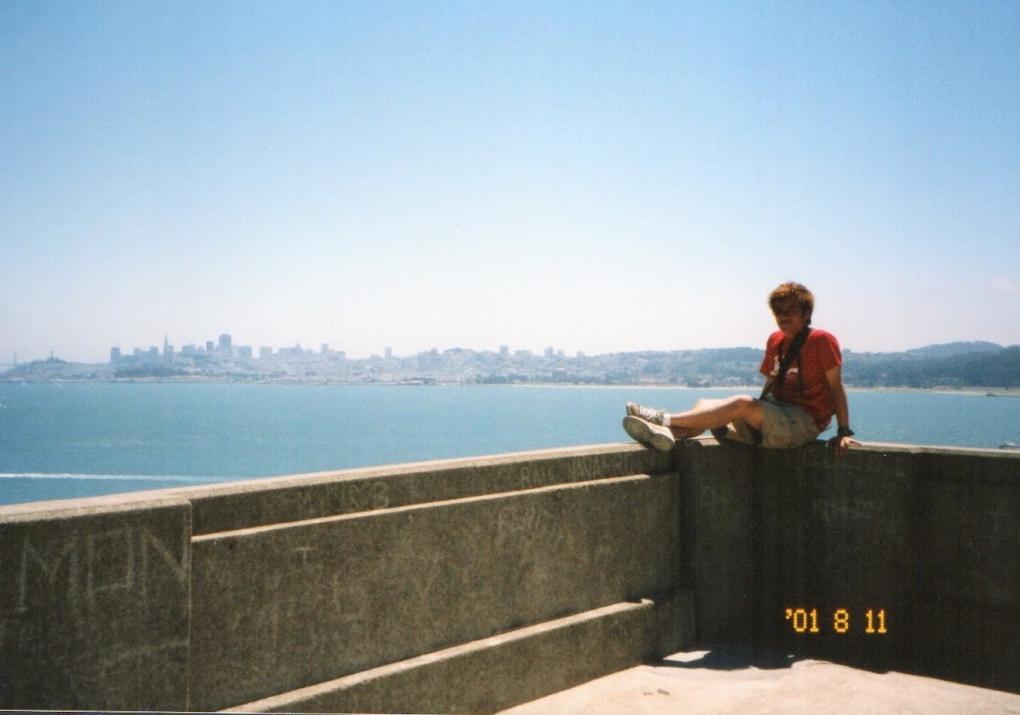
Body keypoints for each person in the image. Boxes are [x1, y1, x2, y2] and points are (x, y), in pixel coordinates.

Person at [623, 282, 860, 456]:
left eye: (790, 311)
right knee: (706, 405)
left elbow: (836, 387)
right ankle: (671, 435)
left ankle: (661, 419)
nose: (782, 317)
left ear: (806, 313)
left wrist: (844, 432)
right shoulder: (776, 340)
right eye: (778, 312)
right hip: (777, 414)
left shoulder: (821, 340)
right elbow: (770, 384)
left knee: (741, 403)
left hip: (804, 422)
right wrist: (754, 412)